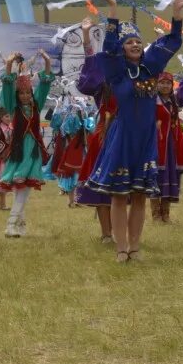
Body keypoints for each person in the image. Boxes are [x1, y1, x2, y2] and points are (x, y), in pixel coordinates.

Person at [85, 0, 183, 263]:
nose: (134, 45)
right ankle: (121, 248)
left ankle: (135, 246)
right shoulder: (116, 71)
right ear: (122, 48)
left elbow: (171, 42)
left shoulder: (151, 67)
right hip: (123, 138)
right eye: (129, 42)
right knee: (119, 196)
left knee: (140, 195)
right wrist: (112, 12)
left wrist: (177, 15)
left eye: (137, 41)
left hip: (145, 138)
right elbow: (107, 49)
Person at [0, 50, 54, 237]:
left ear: (31, 92)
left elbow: (45, 84)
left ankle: (19, 225)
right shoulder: (13, 107)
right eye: (20, 93)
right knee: (21, 187)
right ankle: (11, 224)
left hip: (33, 151)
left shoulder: (37, 104)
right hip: (19, 150)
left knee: (24, 188)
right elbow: (6, 87)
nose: (24, 96)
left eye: (27, 92)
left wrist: (47, 62)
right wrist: (8, 65)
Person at [75, 18, 115, 244]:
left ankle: (121, 230)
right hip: (104, 133)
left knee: (125, 186)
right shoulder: (101, 80)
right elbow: (90, 69)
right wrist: (86, 35)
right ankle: (106, 233)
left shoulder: (133, 73)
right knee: (101, 184)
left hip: (128, 133)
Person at [148, 70, 183, 224]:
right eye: (161, 82)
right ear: (156, 84)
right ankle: (155, 215)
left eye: (168, 83)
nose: (164, 85)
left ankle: (166, 214)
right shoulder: (151, 101)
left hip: (172, 146)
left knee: (170, 176)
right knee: (156, 177)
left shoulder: (175, 101)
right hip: (156, 144)